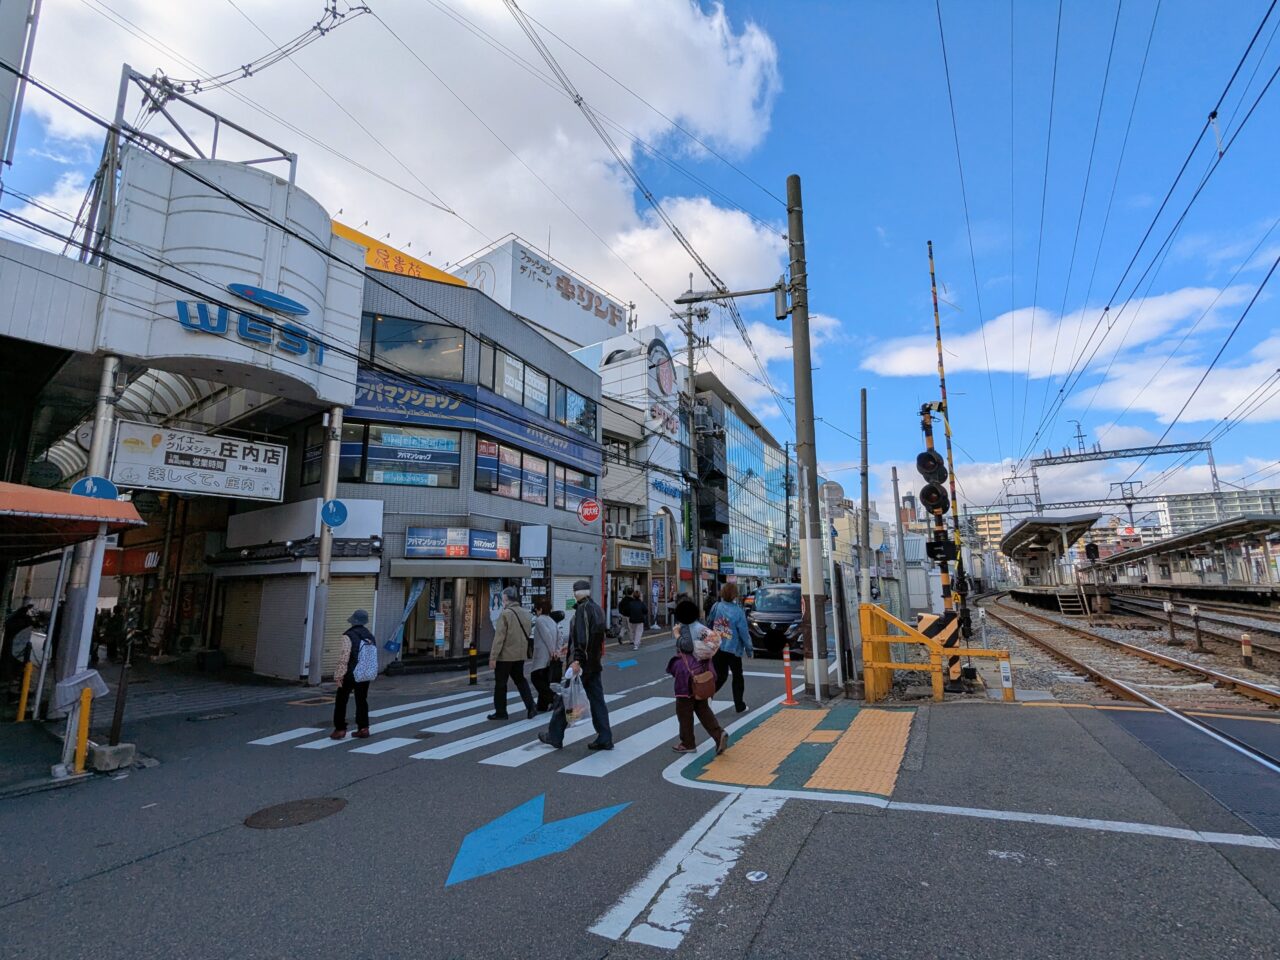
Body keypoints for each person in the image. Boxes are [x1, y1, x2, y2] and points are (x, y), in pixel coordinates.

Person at [539, 579, 612, 750]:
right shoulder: (597, 609)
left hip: (581, 665)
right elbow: (593, 639)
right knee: (596, 701)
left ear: (576, 594)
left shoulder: (583, 610)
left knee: (564, 699)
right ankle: (605, 736)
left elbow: (583, 638)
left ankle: (555, 735)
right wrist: (570, 646)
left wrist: (577, 660)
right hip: (594, 664)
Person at [667, 599, 728, 755]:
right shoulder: (700, 627)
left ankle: (688, 743)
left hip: (688, 675)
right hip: (702, 671)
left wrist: (677, 635)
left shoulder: (686, 627)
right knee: (701, 706)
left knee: (684, 709)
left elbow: (687, 645)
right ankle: (718, 734)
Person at [488, 587, 536, 721]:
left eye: (503, 599)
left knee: (501, 683)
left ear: (505, 599)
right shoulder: (526, 613)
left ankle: (501, 712)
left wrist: (493, 657)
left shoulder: (506, 614)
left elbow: (499, 638)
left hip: (505, 655)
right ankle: (531, 706)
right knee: (520, 680)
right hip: (520, 654)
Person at [330, 609, 376, 740]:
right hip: (365, 672)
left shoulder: (348, 635)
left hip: (350, 672)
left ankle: (340, 729)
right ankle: (363, 728)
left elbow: (344, 656)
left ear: (353, 621)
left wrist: (338, 675)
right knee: (361, 700)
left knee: (341, 700)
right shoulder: (369, 636)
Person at [708, 583, 753, 713]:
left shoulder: (716, 607)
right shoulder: (738, 611)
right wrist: (749, 649)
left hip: (717, 647)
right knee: (737, 676)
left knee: (719, 676)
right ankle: (739, 705)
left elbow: (709, 623)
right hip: (733, 649)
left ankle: (707, 697)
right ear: (735, 595)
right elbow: (744, 632)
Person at [528, 595, 561, 713]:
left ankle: (554, 697)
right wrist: (557, 650)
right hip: (550, 656)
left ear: (540, 609)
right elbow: (559, 636)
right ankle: (542, 705)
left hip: (542, 655)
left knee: (536, 678)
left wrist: (552, 650)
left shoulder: (540, 620)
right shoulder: (552, 620)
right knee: (545, 679)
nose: (536, 612)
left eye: (536, 609)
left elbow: (547, 636)